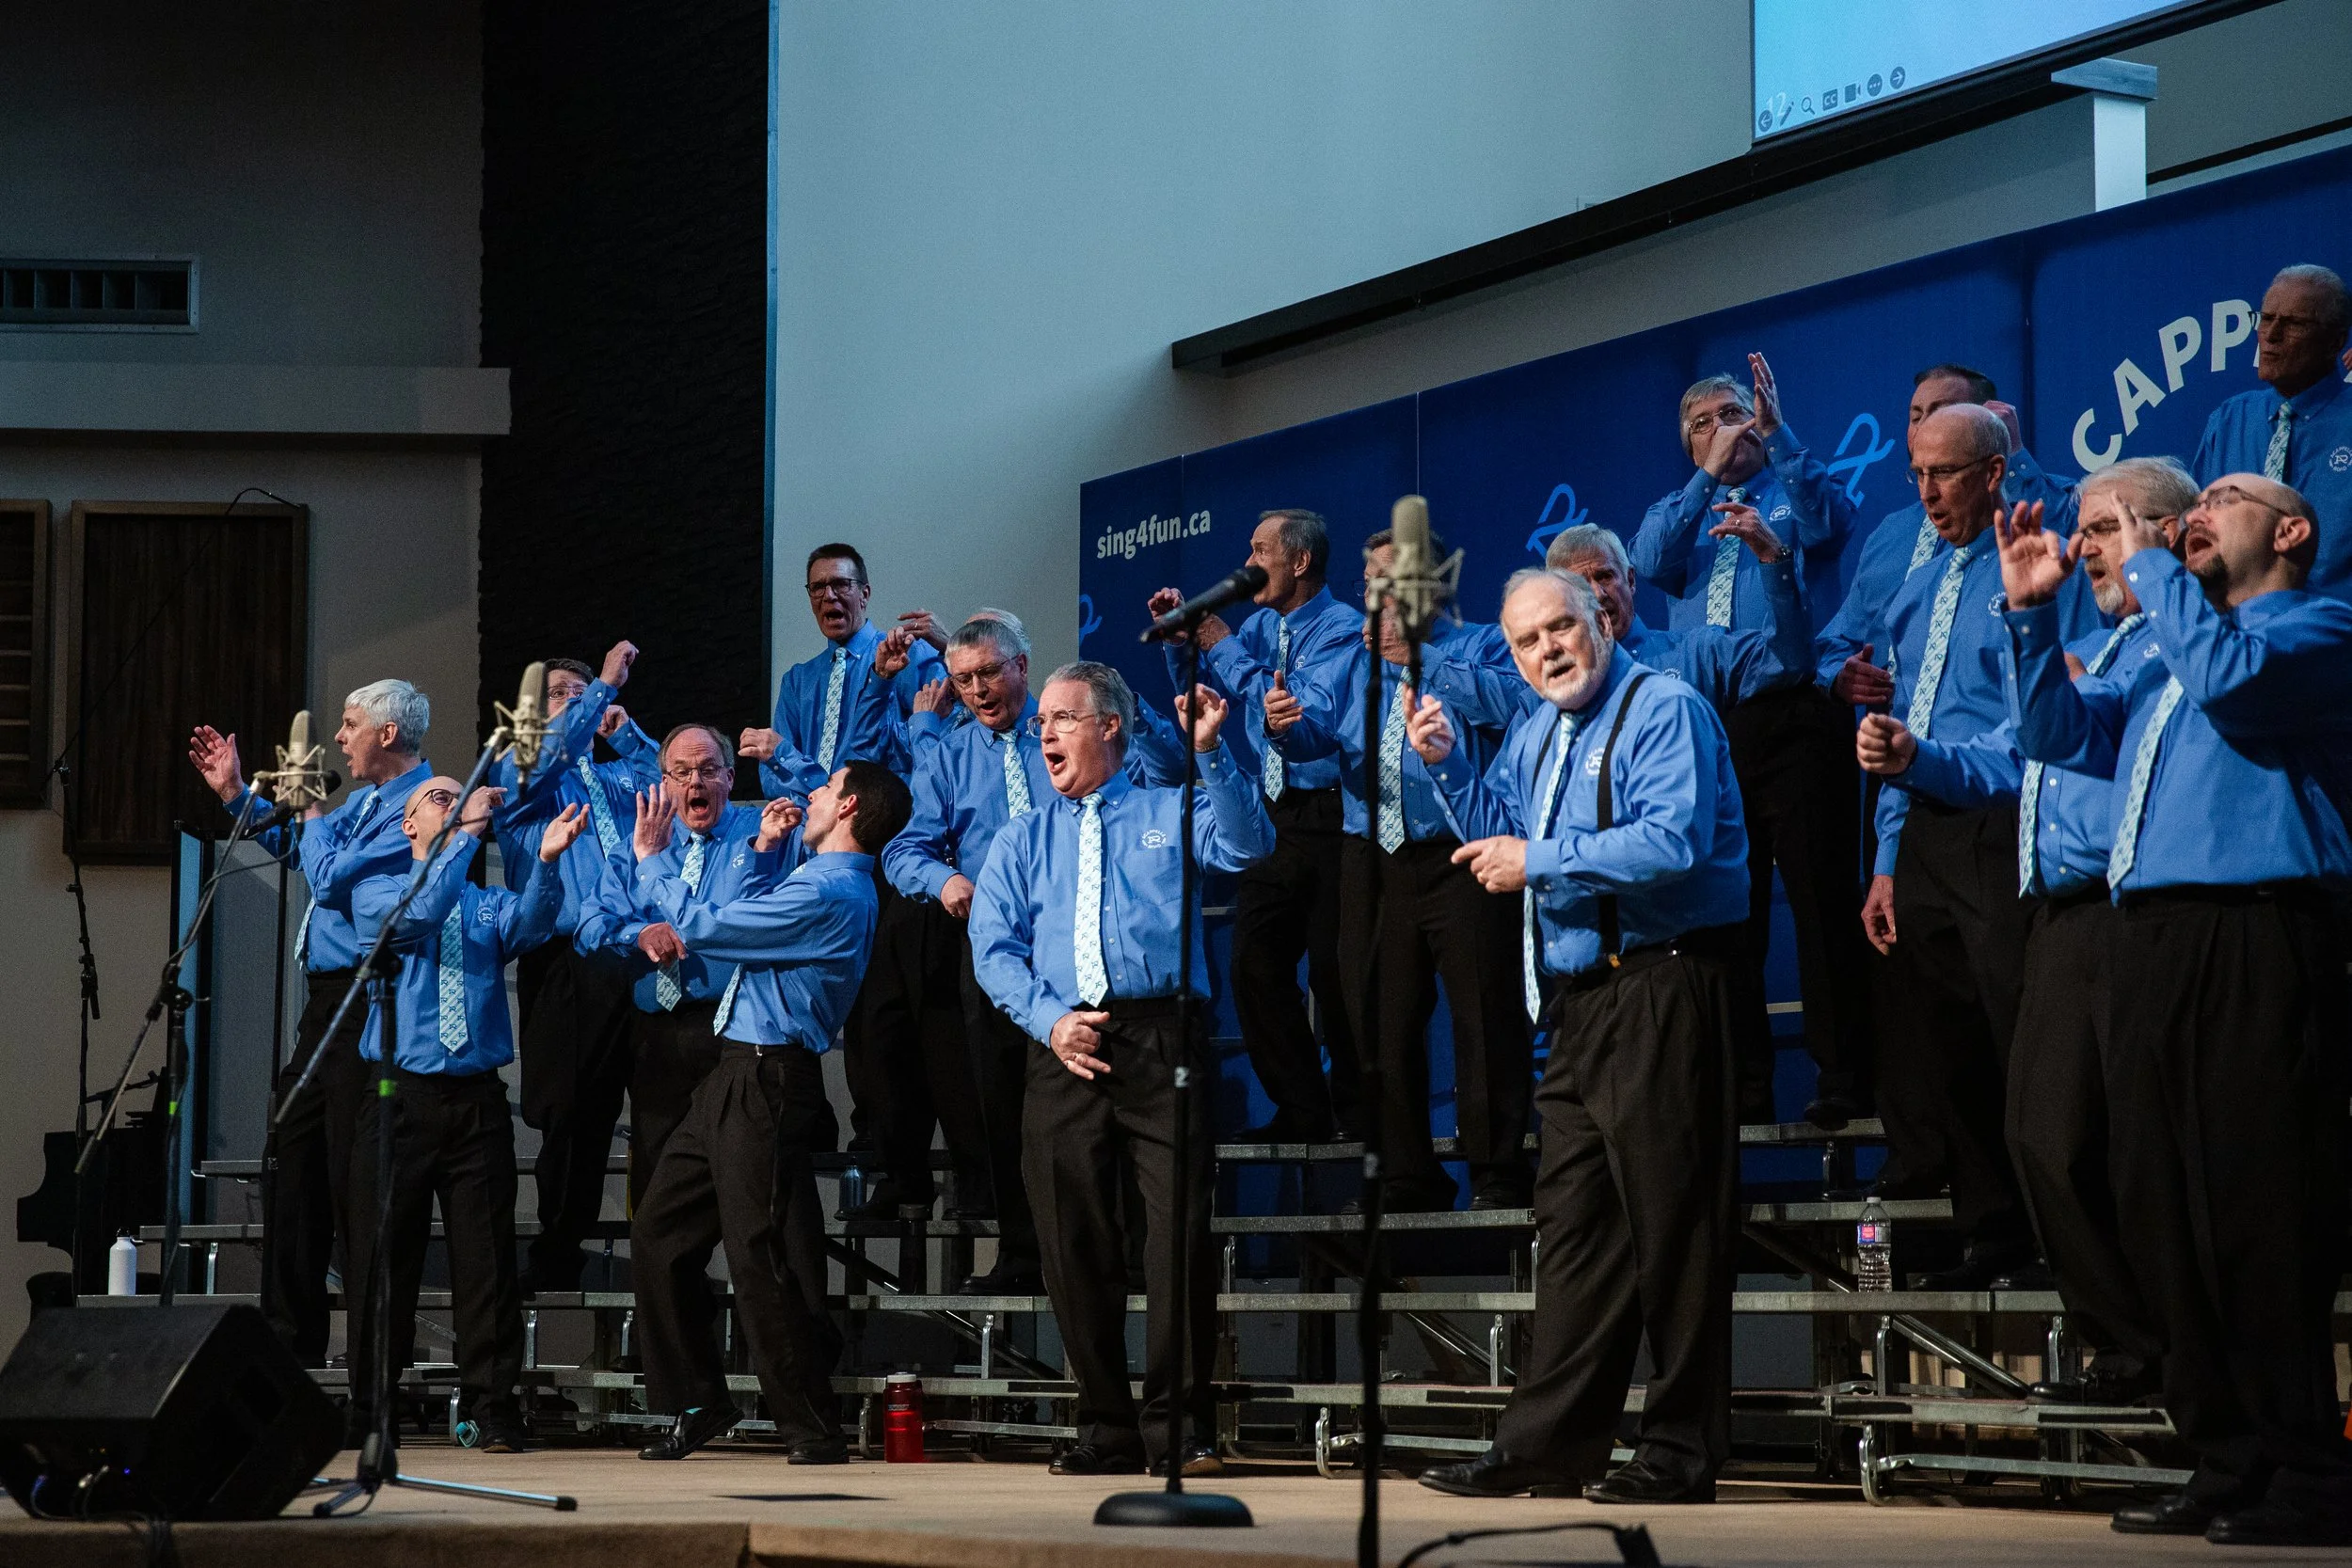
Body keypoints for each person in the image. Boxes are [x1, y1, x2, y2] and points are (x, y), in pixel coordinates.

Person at [2001, 472, 2352, 1546]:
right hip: (2148, 941)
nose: (2195, 511)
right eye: (2182, 505)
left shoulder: (2319, 622)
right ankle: (2222, 1455)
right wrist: (2028, 616)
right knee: (2161, 1207)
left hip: (2254, 933)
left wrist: (2152, 558)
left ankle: (2306, 1468)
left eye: (2224, 498)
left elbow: (2234, 684)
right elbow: (2061, 732)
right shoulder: (2170, 646)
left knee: (2258, 1209)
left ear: (2289, 530)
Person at [1856, 456, 2196, 1402]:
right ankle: (2126, 1343)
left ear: (2171, 533)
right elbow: (2019, 754)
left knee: (2118, 1146)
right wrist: (1917, 755)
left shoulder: (2179, 645)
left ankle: (2163, 1354)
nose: (2085, 545)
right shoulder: (2105, 646)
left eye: (2104, 526)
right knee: (2037, 1135)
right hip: (2055, 913)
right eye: (2083, 527)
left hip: (2130, 916)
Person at [1412, 568, 1748, 1503]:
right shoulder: (1532, 732)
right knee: (1571, 1233)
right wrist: (1446, 767)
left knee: (1675, 1231)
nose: (1546, 649)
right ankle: (1548, 1445)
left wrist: (1539, 857)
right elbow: (1502, 842)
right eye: (1525, 640)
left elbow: (1669, 840)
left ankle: (1681, 1450)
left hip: (1666, 983)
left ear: (1600, 619)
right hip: (1579, 1005)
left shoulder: (1663, 707)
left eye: (1561, 626)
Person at [969, 661, 1272, 1478]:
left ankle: (1179, 1429)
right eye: (1042, 725)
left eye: (1062, 718)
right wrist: (1051, 1021)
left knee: (1177, 1239)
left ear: (1110, 726)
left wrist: (1211, 753)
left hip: (1161, 1039)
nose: (1045, 734)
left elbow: (1249, 844)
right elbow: (991, 950)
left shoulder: (1167, 810)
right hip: (1062, 1043)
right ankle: (1104, 1425)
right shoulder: (1020, 838)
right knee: (1072, 1242)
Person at [631, 762, 911, 1465]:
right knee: (661, 1233)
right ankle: (700, 1396)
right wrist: (761, 850)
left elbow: (707, 926)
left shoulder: (833, 887)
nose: (808, 797)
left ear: (845, 805)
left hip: (768, 1074)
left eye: (822, 789)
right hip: (736, 1069)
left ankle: (813, 1425)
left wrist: (653, 859)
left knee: (757, 1255)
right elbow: (753, 924)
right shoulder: (817, 876)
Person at [1630, 356, 1865, 1129]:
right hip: (1707, 725)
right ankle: (1745, 1085)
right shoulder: (1685, 517)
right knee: (1730, 914)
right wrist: (1706, 478)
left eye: (1734, 413)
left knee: (1821, 902)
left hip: (1796, 711)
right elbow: (1645, 563)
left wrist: (1776, 433)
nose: (1724, 429)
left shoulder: (1793, 488)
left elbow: (1832, 518)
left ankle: (1843, 1076)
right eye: (1705, 422)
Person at [1268, 529, 1533, 1212]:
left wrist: (1422, 660)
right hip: (1373, 855)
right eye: (1368, 583)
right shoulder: (1356, 664)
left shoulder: (1480, 644)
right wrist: (1281, 725)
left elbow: (1520, 705)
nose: (1373, 597)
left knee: (1483, 1011)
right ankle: (1405, 1173)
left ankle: (1497, 1169)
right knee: (1375, 1015)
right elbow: (1317, 732)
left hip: (1462, 851)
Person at [185, 680, 437, 1366]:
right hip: (325, 1003)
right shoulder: (359, 806)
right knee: (291, 1152)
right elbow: (307, 850)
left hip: (370, 998)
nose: (340, 736)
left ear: (387, 734)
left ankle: (373, 1365)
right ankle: (288, 1347)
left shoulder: (423, 805)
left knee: (360, 1178)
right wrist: (239, 795)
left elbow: (326, 877)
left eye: (351, 724)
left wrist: (311, 807)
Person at [1549, 512, 1826, 1126]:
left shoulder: (1691, 653)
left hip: (1694, 929)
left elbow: (1790, 658)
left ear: (1631, 582)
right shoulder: (1547, 694)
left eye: (1605, 576)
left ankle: (1749, 1106)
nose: (1597, 592)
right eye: (1578, 584)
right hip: (1599, 945)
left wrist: (1775, 566)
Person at [1853, 403, 2039, 1288]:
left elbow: (2032, 730)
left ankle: (2059, 1236)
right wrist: (1888, 862)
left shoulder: (2030, 574)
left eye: (1947, 473)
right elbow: (1904, 729)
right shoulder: (1918, 588)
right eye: (1917, 473)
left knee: (2018, 1037)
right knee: (1948, 1047)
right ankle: (1991, 1236)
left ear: (1996, 472)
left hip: (1998, 825)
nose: (1928, 491)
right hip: (1923, 831)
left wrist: (1922, 761)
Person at [344, 779, 584, 1453]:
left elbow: (535, 924)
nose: (456, 801)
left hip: (475, 1100)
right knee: (385, 1256)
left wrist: (545, 860)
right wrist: (470, 834)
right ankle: (372, 1404)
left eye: (460, 794)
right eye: (439, 797)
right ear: (409, 824)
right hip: (400, 1096)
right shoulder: (381, 892)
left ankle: (492, 1405)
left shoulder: (482, 903)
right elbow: (416, 918)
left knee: (486, 1262)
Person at [1146, 508, 1365, 1141]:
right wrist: (1184, 647)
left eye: (1260, 548)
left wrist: (1222, 644)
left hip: (1333, 816)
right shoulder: (1261, 625)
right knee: (1254, 965)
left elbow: (1299, 715)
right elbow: (1211, 692)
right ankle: (1303, 1111)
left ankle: (1357, 1115)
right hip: (1273, 817)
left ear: (1299, 561)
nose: (1247, 561)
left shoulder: (1342, 630)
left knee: (1335, 969)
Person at [739, 544, 947, 1186]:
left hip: (892, 851)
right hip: (823, 859)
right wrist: (794, 771)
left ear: (866, 591)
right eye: (816, 589)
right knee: (852, 1010)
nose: (829, 598)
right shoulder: (799, 681)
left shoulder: (909, 659)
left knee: (895, 1014)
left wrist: (796, 761)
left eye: (840, 586)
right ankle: (865, 1138)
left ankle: (900, 1153)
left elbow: (904, 767)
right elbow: (786, 777)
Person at [486, 641, 657, 1293]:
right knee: (572, 1112)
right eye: (555, 694)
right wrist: (600, 690)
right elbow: (547, 752)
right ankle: (559, 1248)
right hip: (565, 961)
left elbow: (669, 781)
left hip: (633, 954)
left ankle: (658, 1253)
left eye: (574, 692)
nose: (570, 702)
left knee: (657, 1106)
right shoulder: (519, 771)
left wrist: (626, 730)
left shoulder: (615, 777)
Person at [575, 724, 777, 1202]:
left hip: (733, 1032)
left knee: (740, 1180)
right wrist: (637, 932)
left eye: (708, 770)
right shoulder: (637, 843)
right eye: (681, 772)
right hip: (656, 1035)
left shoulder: (761, 834)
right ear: (663, 782)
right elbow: (589, 924)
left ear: (730, 777)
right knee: (657, 1183)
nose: (694, 783)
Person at [2193, 264, 2352, 596]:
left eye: (2293, 324)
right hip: (2233, 633)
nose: (2271, 335)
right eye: (2266, 319)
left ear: (2335, 340)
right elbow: (2194, 528)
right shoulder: (2230, 419)